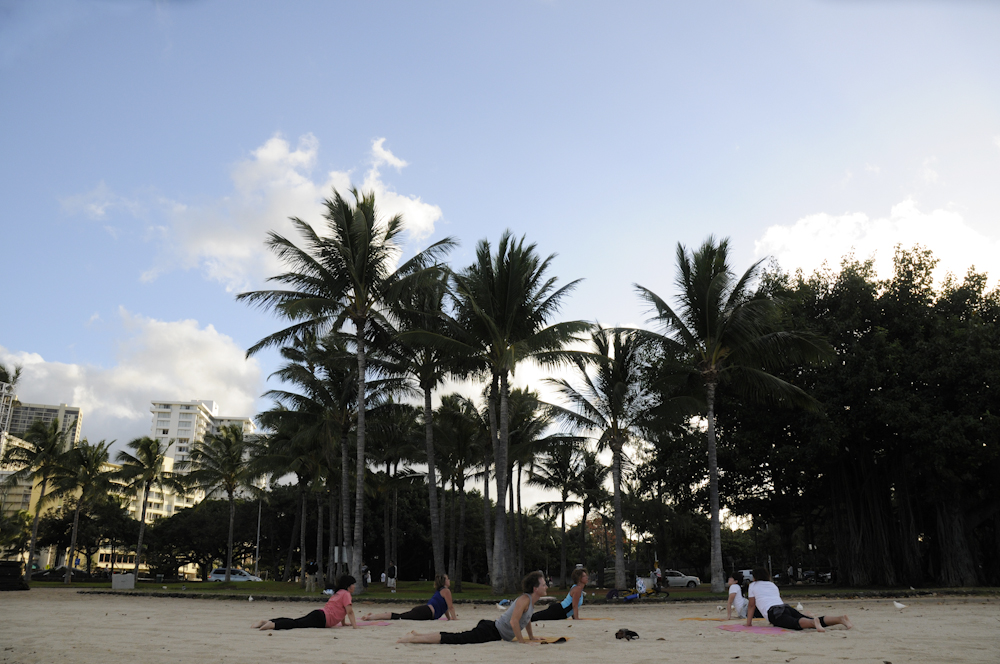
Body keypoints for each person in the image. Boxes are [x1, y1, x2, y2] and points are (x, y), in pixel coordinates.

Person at [397, 571, 547, 645]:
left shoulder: (530, 601)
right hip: (491, 631)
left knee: (457, 637)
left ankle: (418, 635)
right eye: (543, 584)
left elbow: (525, 620)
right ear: (535, 588)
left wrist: (532, 637)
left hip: (493, 631)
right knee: (456, 639)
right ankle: (414, 639)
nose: (546, 586)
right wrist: (522, 642)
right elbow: (514, 622)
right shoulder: (523, 600)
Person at [746, 568, 852, 632]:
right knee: (804, 619)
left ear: (755, 577)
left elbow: (751, 605)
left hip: (774, 612)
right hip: (785, 607)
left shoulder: (753, 586)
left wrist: (748, 623)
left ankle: (812, 622)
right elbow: (774, 599)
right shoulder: (772, 585)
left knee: (795, 623)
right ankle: (840, 619)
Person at [252, 574, 359, 631]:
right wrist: (355, 627)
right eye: (353, 584)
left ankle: (267, 621)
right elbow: (349, 612)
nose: (355, 586)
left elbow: (342, 610)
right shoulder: (346, 594)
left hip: (319, 614)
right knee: (296, 624)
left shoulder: (339, 593)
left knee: (296, 622)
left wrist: (344, 624)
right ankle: (273, 625)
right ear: (348, 585)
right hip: (322, 619)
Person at [363, 574, 457, 621]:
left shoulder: (441, 591)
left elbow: (445, 608)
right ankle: (372, 617)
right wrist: (455, 619)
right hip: (425, 612)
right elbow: (450, 606)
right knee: (399, 617)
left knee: (399, 616)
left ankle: (373, 616)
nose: (449, 580)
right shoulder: (446, 590)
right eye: (448, 579)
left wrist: (449, 619)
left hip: (425, 611)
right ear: (444, 582)